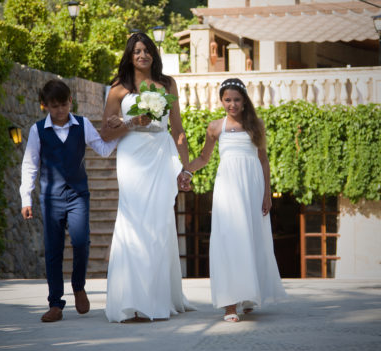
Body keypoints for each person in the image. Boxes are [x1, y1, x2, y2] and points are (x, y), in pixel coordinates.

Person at [100, 32, 193, 322]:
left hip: (160, 157)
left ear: (154, 53)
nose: (142, 55)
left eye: (147, 50)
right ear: (129, 56)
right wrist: (131, 122)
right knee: (133, 221)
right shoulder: (117, 90)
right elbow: (106, 133)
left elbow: (178, 129)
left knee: (159, 222)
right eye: (136, 51)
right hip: (131, 158)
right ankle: (131, 300)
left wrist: (186, 167)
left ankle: (156, 297)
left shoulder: (168, 84)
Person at [187, 78, 287, 322]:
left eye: (237, 100)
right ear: (221, 100)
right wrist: (186, 171)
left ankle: (250, 295)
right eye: (227, 99)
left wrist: (267, 194)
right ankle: (229, 304)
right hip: (228, 189)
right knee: (229, 239)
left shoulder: (256, 125)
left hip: (252, 187)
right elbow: (204, 157)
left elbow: (263, 160)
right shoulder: (215, 127)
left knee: (251, 237)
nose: (232, 104)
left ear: (244, 101)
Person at [20, 79, 118, 322]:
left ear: (71, 102)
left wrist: (124, 131)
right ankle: (55, 304)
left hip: (78, 195)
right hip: (51, 198)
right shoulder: (38, 130)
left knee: (82, 241)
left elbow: (104, 149)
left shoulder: (82, 125)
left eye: (64, 104)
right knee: (53, 251)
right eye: (54, 106)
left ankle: (78, 286)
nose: (60, 110)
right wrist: (26, 198)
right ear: (45, 106)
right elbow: (30, 165)